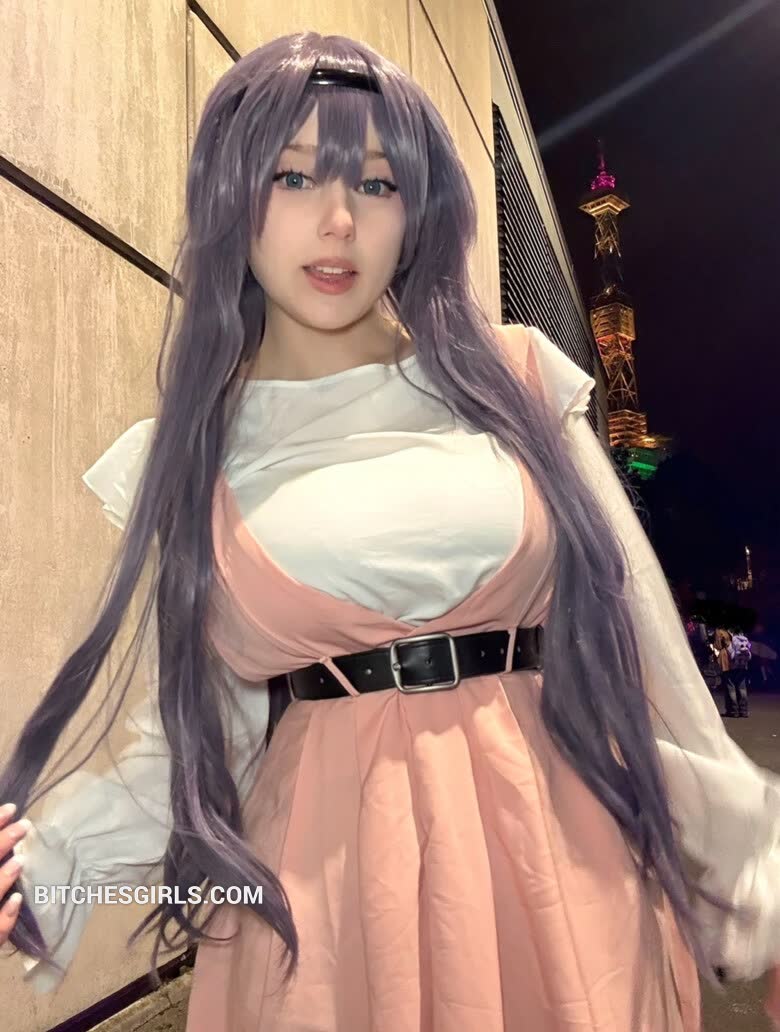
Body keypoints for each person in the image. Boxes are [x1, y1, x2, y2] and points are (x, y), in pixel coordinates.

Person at [3, 31, 780, 1032]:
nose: (338, 221)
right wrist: (45, 867)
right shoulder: (196, 455)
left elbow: (645, 665)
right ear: (230, 196)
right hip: (325, 916)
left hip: (561, 872)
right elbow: (190, 746)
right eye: (292, 177)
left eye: (376, 183)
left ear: (417, 210)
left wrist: (759, 885)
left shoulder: (514, 380)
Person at [725, 629, 752, 718]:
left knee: (732, 689)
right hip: (743, 667)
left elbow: (731, 654)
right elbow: (749, 655)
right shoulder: (745, 639)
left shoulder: (732, 639)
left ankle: (734, 711)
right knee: (742, 689)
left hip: (733, 667)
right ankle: (744, 711)